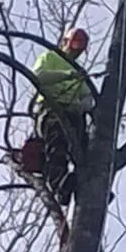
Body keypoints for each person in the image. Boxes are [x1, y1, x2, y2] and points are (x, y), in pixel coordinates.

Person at [31, 27, 95, 206]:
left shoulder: (80, 73)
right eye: (74, 46)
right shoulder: (50, 57)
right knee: (57, 142)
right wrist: (66, 75)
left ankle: (90, 186)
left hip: (74, 115)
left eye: (80, 49)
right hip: (52, 109)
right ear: (65, 42)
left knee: (86, 152)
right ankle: (59, 186)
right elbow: (39, 77)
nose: (76, 52)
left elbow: (87, 97)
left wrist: (83, 106)